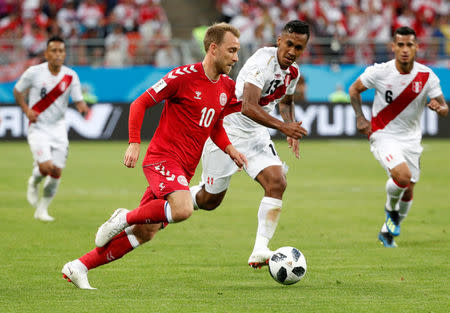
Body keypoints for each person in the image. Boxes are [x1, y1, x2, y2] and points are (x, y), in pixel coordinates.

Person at [61, 23, 246, 289]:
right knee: (182, 210)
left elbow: (214, 124)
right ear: (214, 49)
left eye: (237, 51)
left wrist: (231, 150)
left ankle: (78, 266)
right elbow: (140, 103)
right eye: (231, 50)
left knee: (145, 232)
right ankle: (123, 217)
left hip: (184, 168)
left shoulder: (226, 87)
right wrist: (134, 143)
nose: (236, 58)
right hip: (163, 158)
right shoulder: (182, 77)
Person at [190, 20, 310, 268]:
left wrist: (289, 126)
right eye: (289, 44)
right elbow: (248, 106)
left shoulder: (293, 72)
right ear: (279, 40)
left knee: (277, 182)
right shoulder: (261, 62)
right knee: (209, 201)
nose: (292, 51)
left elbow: (286, 102)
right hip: (228, 130)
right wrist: (282, 126)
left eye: (298, 48)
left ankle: (260, 249)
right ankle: (173, 199)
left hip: (256, 135)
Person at [348, 26, 448, 248]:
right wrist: (360, 118)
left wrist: (440, 109)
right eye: (400, 45)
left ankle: (387, 232)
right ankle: (390, 210)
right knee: (402, 177)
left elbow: (444, 107)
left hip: (411, 139)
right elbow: (354, 90)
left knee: (409, 188)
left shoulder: (427, 76)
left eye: (409, 45)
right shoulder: (380, 72)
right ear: (393, 47)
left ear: (416, 47)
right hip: (383, 134)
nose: (404, 49)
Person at [13, 36, 89, 222]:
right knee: (46, 167)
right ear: (46, 54)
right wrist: (26, 110)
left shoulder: (71, 75)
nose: (58, 54)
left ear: (64, 54)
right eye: (54, 51)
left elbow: (78, 99)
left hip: (58, 128)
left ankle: (42, 209)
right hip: (38, 127)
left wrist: (82, 107)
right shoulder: (34, 72)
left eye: (61, 51)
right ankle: (34, 181)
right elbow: (17, 91)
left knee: (56, 172)